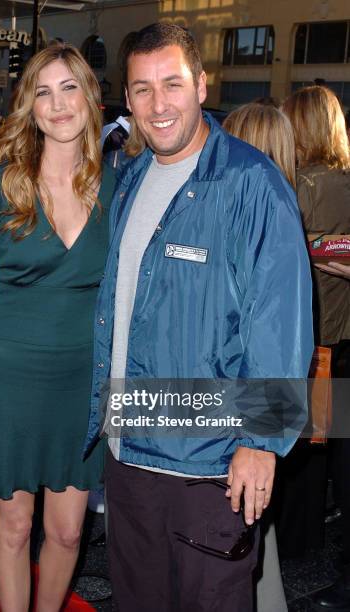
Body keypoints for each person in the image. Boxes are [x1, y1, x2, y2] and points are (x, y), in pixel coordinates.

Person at [84, 23, 313, 611]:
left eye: (172, 83)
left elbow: (280, 324)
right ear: (127, 100)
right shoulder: (131, 179)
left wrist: (262, 442)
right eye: (141, 89)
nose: (158, 105)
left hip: (209, 464)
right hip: (128, 451)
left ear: (202, 85)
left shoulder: (252, 185)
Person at [0, 43, 115, 612]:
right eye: (43, 91)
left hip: (78, 385)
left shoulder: (117, 188)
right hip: (4, 378)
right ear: (29, 107)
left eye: (69, 88)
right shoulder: (1, 184)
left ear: (90, 99)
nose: (57, 103)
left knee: (67, 533)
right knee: (13, 530)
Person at [223, 101, 298, 612]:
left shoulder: (255, 209)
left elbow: (265, 331)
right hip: (258, 404)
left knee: (240, 525)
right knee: (254, 527)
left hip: (239, 401)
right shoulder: (287, 201)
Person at [283, 85, 350, 610]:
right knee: (339, 453)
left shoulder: (297, 186)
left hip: (310, 340)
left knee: (301, 444)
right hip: (345, 339)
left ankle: (295, 544)